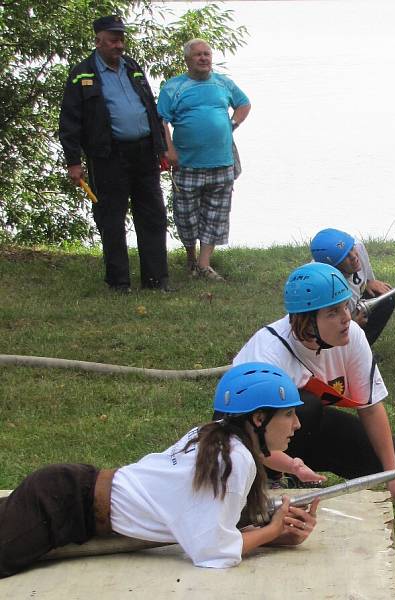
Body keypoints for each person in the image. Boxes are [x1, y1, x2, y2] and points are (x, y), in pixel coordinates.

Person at [0, 362, 319, 578]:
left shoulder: (214, 437)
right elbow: (212, 552)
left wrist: (276, 534)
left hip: (69, 492)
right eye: (289, 414)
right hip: (63, 504)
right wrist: (273, 531)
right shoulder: (235, 461)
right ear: (259, 419)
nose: (296, 424)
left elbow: (210, 528)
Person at [233, 262, 395, 504]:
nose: (346, 319)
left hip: (305, 429)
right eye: (333, 312)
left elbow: (370, 407)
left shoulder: (352, 336)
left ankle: (300, 471)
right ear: (306, 321)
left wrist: (393, 476)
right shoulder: (267, 354)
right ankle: (270, 477)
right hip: (252, 438)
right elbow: (242, 434)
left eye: (344, 307)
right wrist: (286, 465)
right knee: (305, 404)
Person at [58, 15, 170, 293]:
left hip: (144, 153)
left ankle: (155, 280)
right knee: (111, 217)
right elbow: (69, 120)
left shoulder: (132, 67)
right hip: (107, 156)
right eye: (113, 40)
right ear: (98, 41)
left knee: (153, 214)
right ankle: (119, 282)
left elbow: (149, 106)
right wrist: (73, 161)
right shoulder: (82, 74)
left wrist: (162, 148)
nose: (119, 45)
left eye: (121, 39)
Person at [157, 39, 251, 282]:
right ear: (188, 60)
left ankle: (204, 263)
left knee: (215, 214)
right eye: (198, 55)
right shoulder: (173, 87)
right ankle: (191, 258)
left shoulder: (223, 83)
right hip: (186, 163)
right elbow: (161, 121)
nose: (203, 58)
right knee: (186, 215)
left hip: (222, 162)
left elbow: (244, 104)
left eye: (207, 54)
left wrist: (233, 124)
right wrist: (168, 149)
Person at [310, 228, 395, 345]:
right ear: (333, 267)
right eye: (345, 256)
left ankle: (365, 346)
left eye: (351, 248)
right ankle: (346, 355)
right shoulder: (322, 284)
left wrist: (368, 281)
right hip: (328, 327)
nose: (354, 256)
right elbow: (320, 330)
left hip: (353, 305)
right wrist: (352, 325)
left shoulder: (358, 247)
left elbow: (364, 273)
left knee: (387, 297)